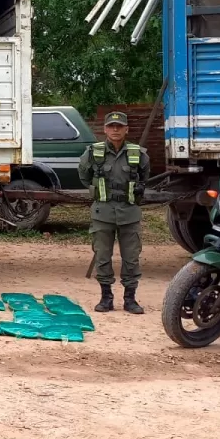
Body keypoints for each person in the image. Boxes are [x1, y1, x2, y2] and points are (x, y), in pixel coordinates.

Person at [78, 110, 150, 314]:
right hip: (103, 212)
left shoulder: (138, 153)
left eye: (119, 126)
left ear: (126, 129)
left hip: (129, 212)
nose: (115, 130)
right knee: (102, 256)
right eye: (111, 126)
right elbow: (84, 175)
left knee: (131, 257)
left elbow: (144, 176)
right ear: (105, 129)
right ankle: (106, 297)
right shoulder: (93, 152)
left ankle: (130, 299)